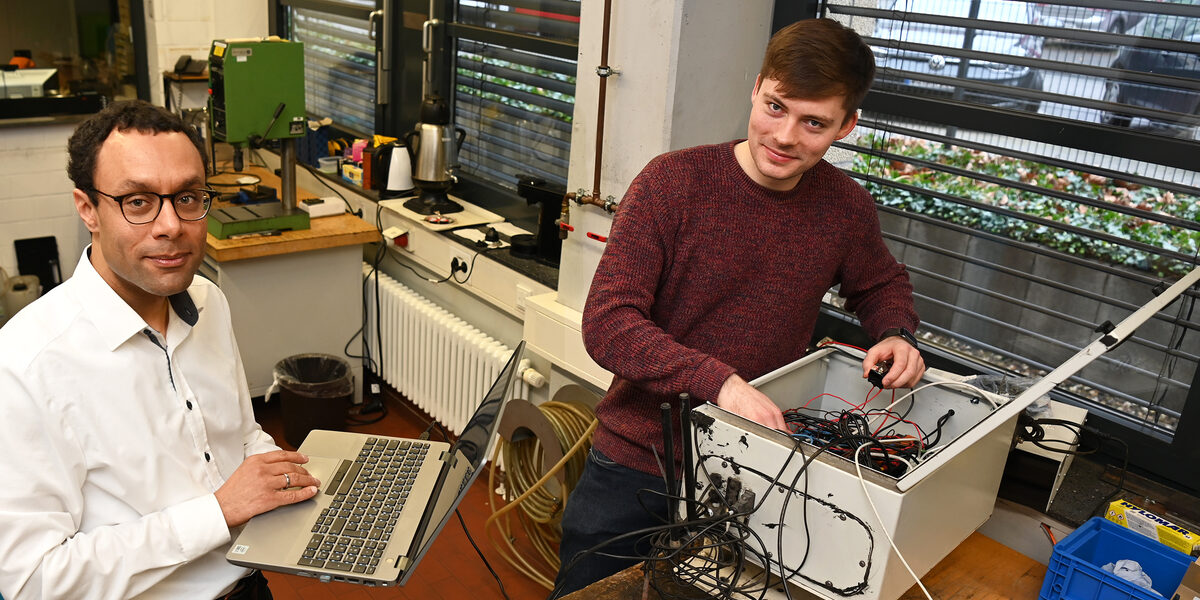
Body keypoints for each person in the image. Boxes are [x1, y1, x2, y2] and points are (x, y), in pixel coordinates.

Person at [551, 18, 927, 597]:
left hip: (754, 470)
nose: (784, 136)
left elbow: (880, 284)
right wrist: (719, 383)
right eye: (775, 107)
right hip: (637, 463)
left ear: (846, 126)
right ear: (756, 88)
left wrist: (896, 332)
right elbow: (609, 325)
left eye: (814, 123)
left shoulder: (845, 206)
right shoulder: (672, 184)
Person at [0, 100, 321, 599]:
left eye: (188, 198)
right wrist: (216, 512)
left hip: (249, 585)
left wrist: (300, 486)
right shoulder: (24, 364)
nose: (171, 225)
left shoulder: (208, 301)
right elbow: (34, 580)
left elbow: (239, 435)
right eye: (138, 201)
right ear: (88, 209)